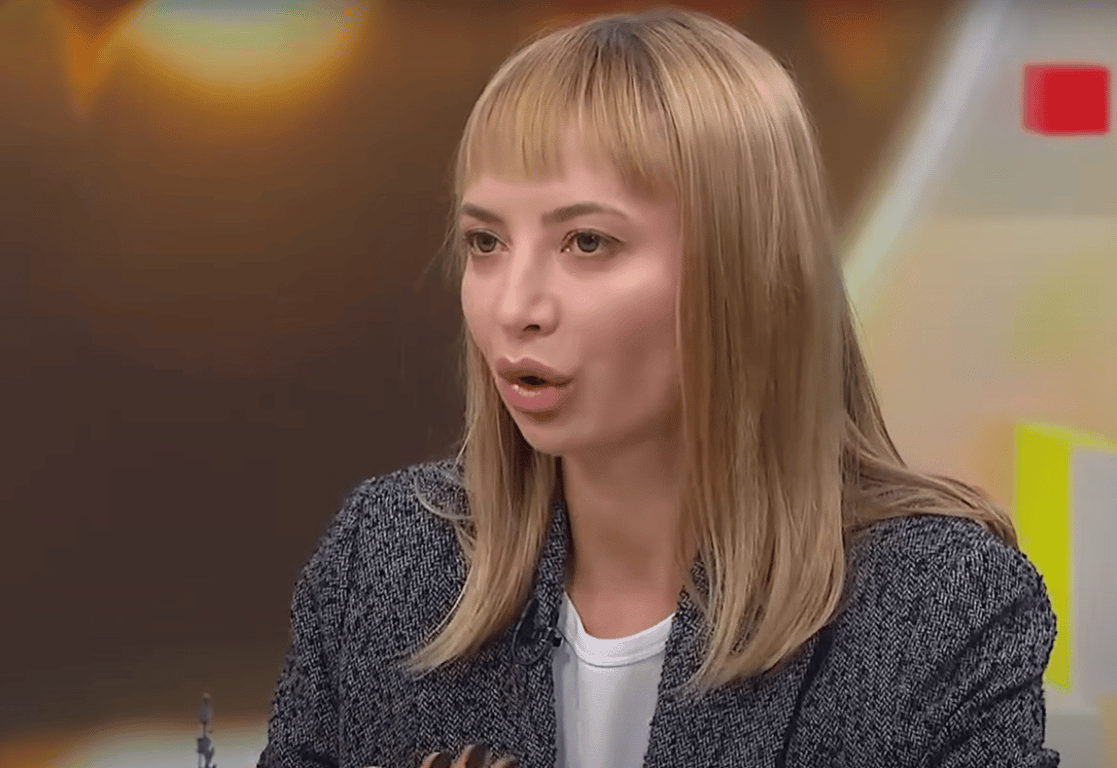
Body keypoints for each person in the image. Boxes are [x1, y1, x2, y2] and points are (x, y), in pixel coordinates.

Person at [257, 6, 1059, 768]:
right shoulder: (381, 561)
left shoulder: (939, 603)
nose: (514, 307)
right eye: (486, 242)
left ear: (745, 268)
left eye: (587, 241)